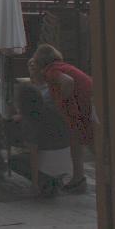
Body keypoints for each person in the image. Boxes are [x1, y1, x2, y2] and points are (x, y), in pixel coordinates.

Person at [30, 44, 93, 193]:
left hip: (84, 104)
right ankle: (79, 179)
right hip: (88, 100)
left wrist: (63, 103)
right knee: (77, 140)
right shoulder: (61, 66)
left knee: (86, 142)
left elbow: (68, 82)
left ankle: (81, 179)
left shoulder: (51, 70)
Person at [11, 82, 72, 196]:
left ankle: (44, 181)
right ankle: (53, 179)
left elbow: (34, 154)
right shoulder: (50, 109)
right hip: (66, 160)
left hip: (49, 163)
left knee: (13, 161)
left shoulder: (30, 122)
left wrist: (34, 184)